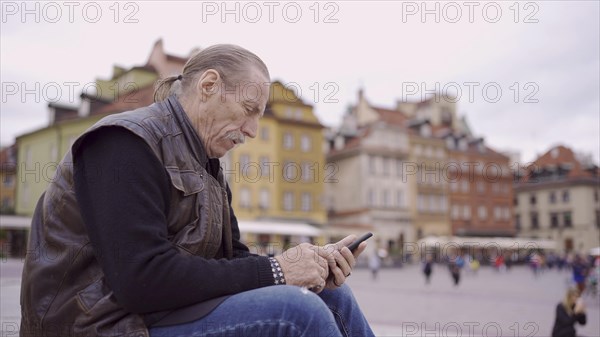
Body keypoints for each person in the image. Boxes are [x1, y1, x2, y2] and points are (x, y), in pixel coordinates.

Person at [19, 44, 375, 337]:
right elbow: (140, 280)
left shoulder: (209, 166)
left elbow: (231, 261)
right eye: (248, 110)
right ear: (208, 86)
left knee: (333, 295)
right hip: (100, 325)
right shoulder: (123, 143)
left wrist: (308, 264)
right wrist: (279, 272)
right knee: (296, 311)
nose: (251, 130)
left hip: (157, 315)